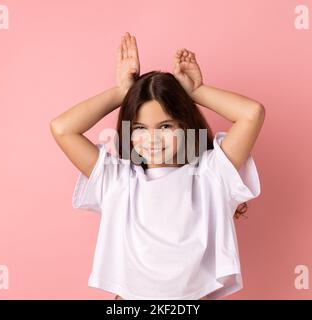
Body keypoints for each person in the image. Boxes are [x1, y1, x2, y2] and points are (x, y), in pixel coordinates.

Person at [50, 32, 265, 300]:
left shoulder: (210, 175)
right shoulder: (118, 180)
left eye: (165, 126)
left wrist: (197, 92)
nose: (151, 139)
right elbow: (62, 129)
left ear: (184, 126)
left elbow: (251, 114)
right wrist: (121, 93)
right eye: (140, 128)